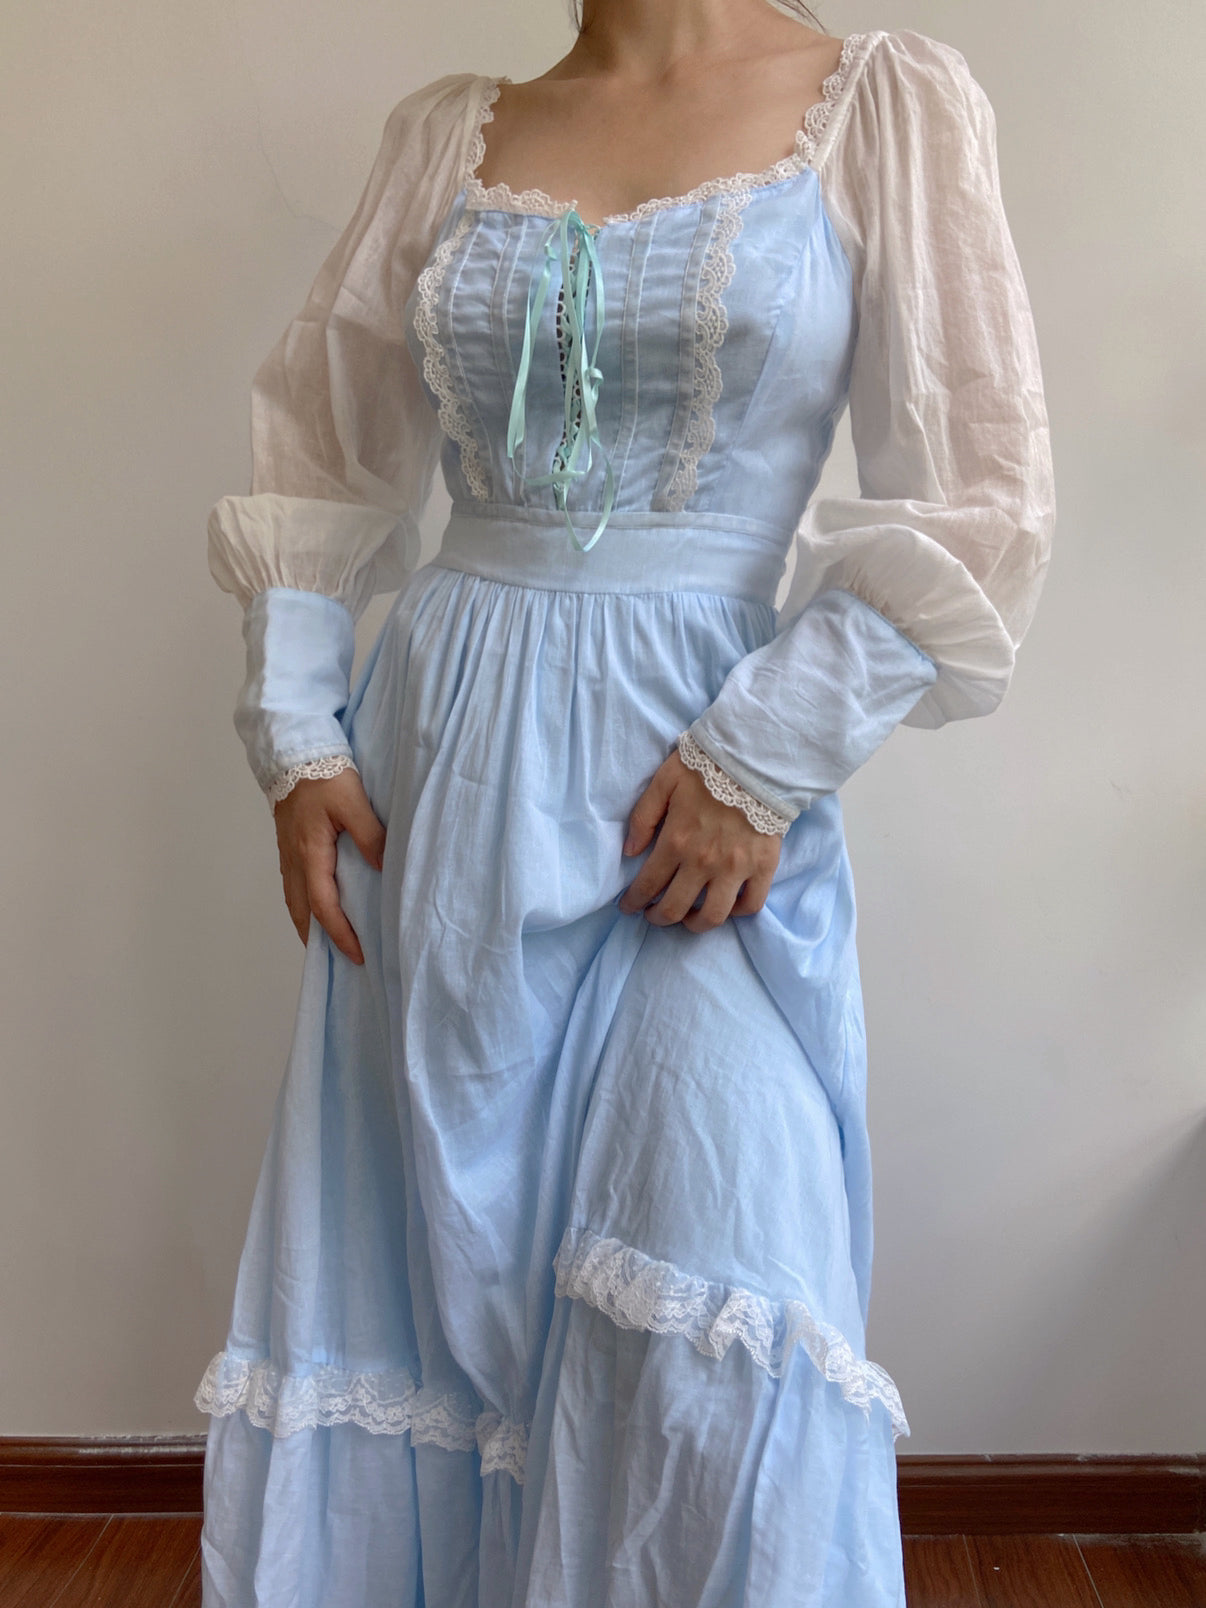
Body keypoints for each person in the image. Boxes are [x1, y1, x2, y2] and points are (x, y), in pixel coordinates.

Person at [194, 1, 1055, 1603]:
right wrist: (296, 728)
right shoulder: (447, 134)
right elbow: (321, 442)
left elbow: (978, 497)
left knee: (720, 1268)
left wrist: (762, 758)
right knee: (434, 1290)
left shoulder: (881, 105)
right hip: (444, 765)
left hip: (697, 777)